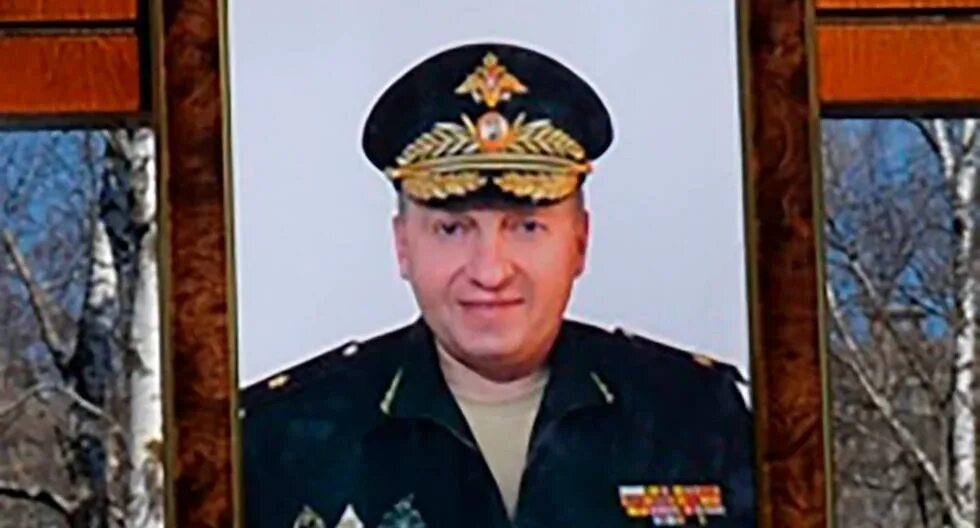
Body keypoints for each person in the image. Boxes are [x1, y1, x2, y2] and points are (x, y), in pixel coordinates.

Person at [241, 42, 756, 528]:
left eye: (526, 227)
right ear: (403, 245)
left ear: (580, 241)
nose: (490, 272)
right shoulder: (286, 437)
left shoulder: (697, 417)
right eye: (452, 229)